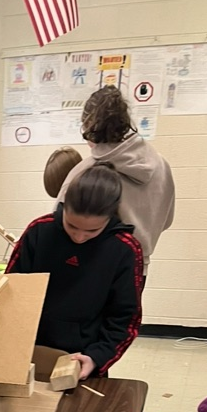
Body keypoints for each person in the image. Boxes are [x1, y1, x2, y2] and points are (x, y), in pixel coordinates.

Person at [6, 163, 144, 379]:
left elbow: (125, 317)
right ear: (63, 207)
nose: (79, 237)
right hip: (28, 351)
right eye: (71, 225)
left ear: (110, 218)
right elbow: (11, 292)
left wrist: (97, 357)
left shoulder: (124, 249)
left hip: (82, 360)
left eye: (92, 230)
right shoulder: (39, 232)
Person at [57, 86, 175, 276]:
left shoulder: (85, 172)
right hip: (136, 268)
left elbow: (60, 221)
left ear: (87, 126)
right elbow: (167, 220)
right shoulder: (161, 164)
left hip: (92, 267)